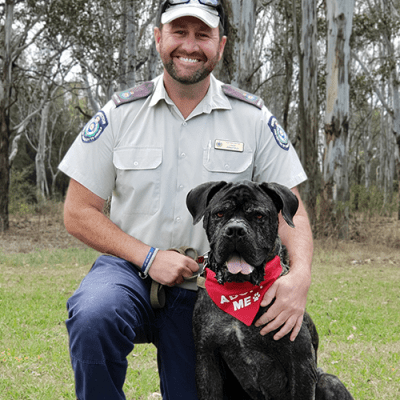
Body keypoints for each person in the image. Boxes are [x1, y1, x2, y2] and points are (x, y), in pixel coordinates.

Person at [58, 0, 313, 399]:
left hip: (210, 286)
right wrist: (148, 256)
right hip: (128, 269)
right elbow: (77, 212)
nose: (189, 45)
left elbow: (291, 211)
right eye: (179, 32)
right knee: (94, 315)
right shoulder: (121, 113)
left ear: (221, 45)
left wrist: (298, 277)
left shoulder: (253, 118)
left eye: (202, 34)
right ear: (159, 38)